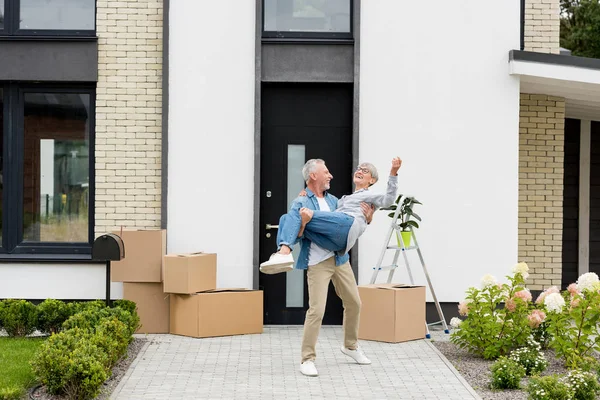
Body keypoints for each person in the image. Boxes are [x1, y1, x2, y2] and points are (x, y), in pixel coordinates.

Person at [260, 159, 380, 377]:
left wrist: (369, 218)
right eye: (326, 172)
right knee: (317, 311)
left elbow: (349, 222)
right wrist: (304, 223)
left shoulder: (335, 200)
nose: (330, 176)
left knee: (354, 303)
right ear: (313, 175)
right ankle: (307, 359)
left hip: (339, 259)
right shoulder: (301, 201)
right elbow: (297, 233)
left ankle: (350, 346)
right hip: (318, 262)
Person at [260, 157, 401, 274]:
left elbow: (388, 200)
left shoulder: (367, 195)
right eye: (359, 169)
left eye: (365, 171)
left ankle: (283, 253)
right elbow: (322, 220)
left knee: (298, 212)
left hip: (346, 228)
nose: (360, 171)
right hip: (333, 242)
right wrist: (304, 207)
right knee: (286, 218)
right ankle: (284, 254)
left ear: (372, 181)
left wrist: (393, 173)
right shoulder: (340, 200)